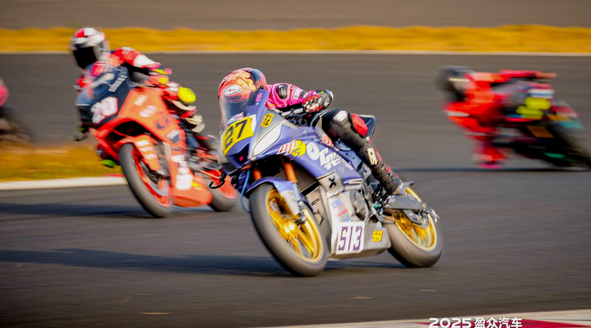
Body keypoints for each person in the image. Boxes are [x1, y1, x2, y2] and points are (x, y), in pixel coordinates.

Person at [218, 68, 403, 196]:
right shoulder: (232, 124)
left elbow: (307, 96)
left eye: (242, 100)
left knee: (337, 119)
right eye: (233, 103)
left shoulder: (278, 93)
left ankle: (386, 178)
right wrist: (226, 167)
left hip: (310, 135)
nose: (238, 106)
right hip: (273, 154)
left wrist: (313, 99)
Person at [69, 27, 214, 151]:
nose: (85, 58)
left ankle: (204, 139)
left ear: (101, 47)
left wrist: (157, 73)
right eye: (80, 55)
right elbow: (87, 103)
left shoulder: (120, 54)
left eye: (88, 52)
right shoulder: (83, 81)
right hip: (115, 110)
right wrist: (84, 125)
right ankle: (133, 161)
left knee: (175, 92)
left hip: (142, 93)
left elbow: (147, 63)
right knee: (101, 149)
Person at [436, 66, 555, 167]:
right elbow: (470, 127)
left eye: (461, 80)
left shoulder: (477, 78)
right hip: (492, 126)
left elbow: (504, 76)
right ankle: (542, 153)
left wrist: (532, 74)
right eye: (454, 84)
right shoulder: (453, 109)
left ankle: (555, 114)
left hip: (507, 106)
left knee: (533, 91)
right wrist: (487, 133)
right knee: (488, 159)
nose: (461, 84)